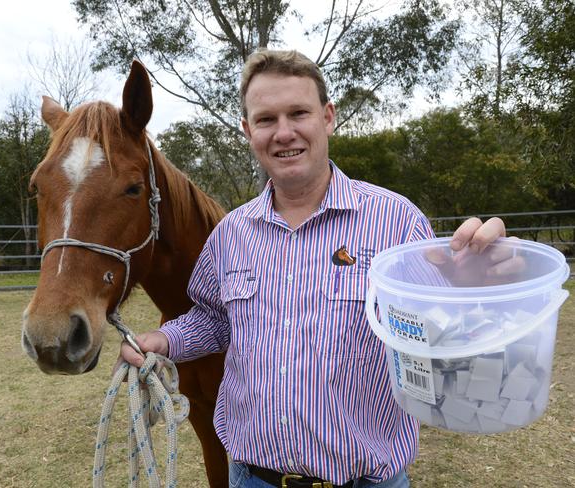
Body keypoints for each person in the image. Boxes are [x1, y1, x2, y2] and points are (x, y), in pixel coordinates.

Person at [119, 49, 508, 488]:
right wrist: (165, 338)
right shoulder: (231, 234)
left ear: (326, 117)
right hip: (252, 479)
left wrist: (479, 285)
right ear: (248, 131)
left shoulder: (397, 222)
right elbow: (213, 319)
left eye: (298, 113)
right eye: (266, 120)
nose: (284, 133)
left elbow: (443, 331)